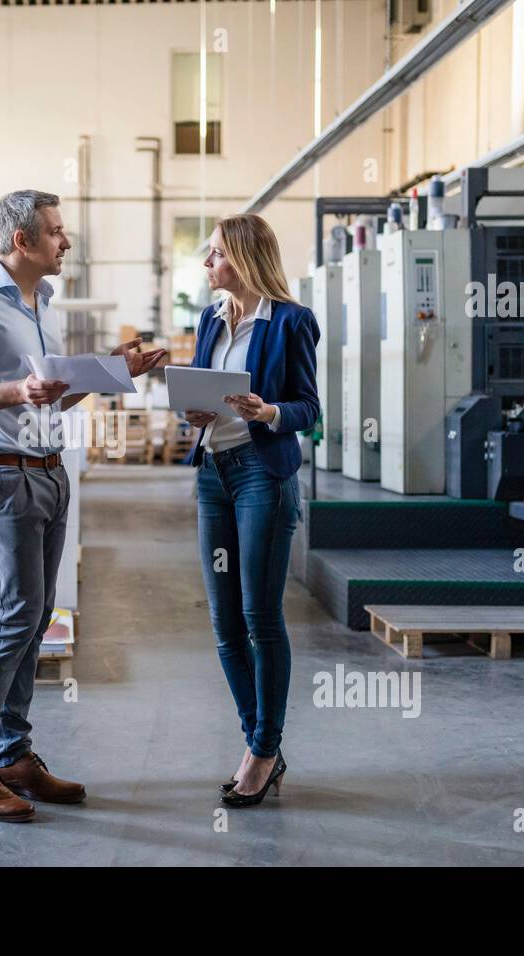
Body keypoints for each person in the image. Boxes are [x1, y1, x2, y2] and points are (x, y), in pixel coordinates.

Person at [0, 189, 164, 823]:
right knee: (12, 616)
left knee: (34, 620)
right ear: (22, 242)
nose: (66, 241)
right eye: (57, 232)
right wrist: (15, 388)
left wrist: (115, 370)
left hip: (48, 472)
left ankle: (13, 754)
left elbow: (50, 400)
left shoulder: (42, 304)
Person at [181, 213, 320, 808]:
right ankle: (260, 745)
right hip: (213, 475)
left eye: (214, 254)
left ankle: (263, 751)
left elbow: (309, 409)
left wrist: (267, 413)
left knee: (259, 618)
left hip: (263, 476)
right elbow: (202, 391)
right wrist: (194, 413)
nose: (207, 264)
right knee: (223, 625)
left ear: (242, 257)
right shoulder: (209, 321)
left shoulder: (291, 321)